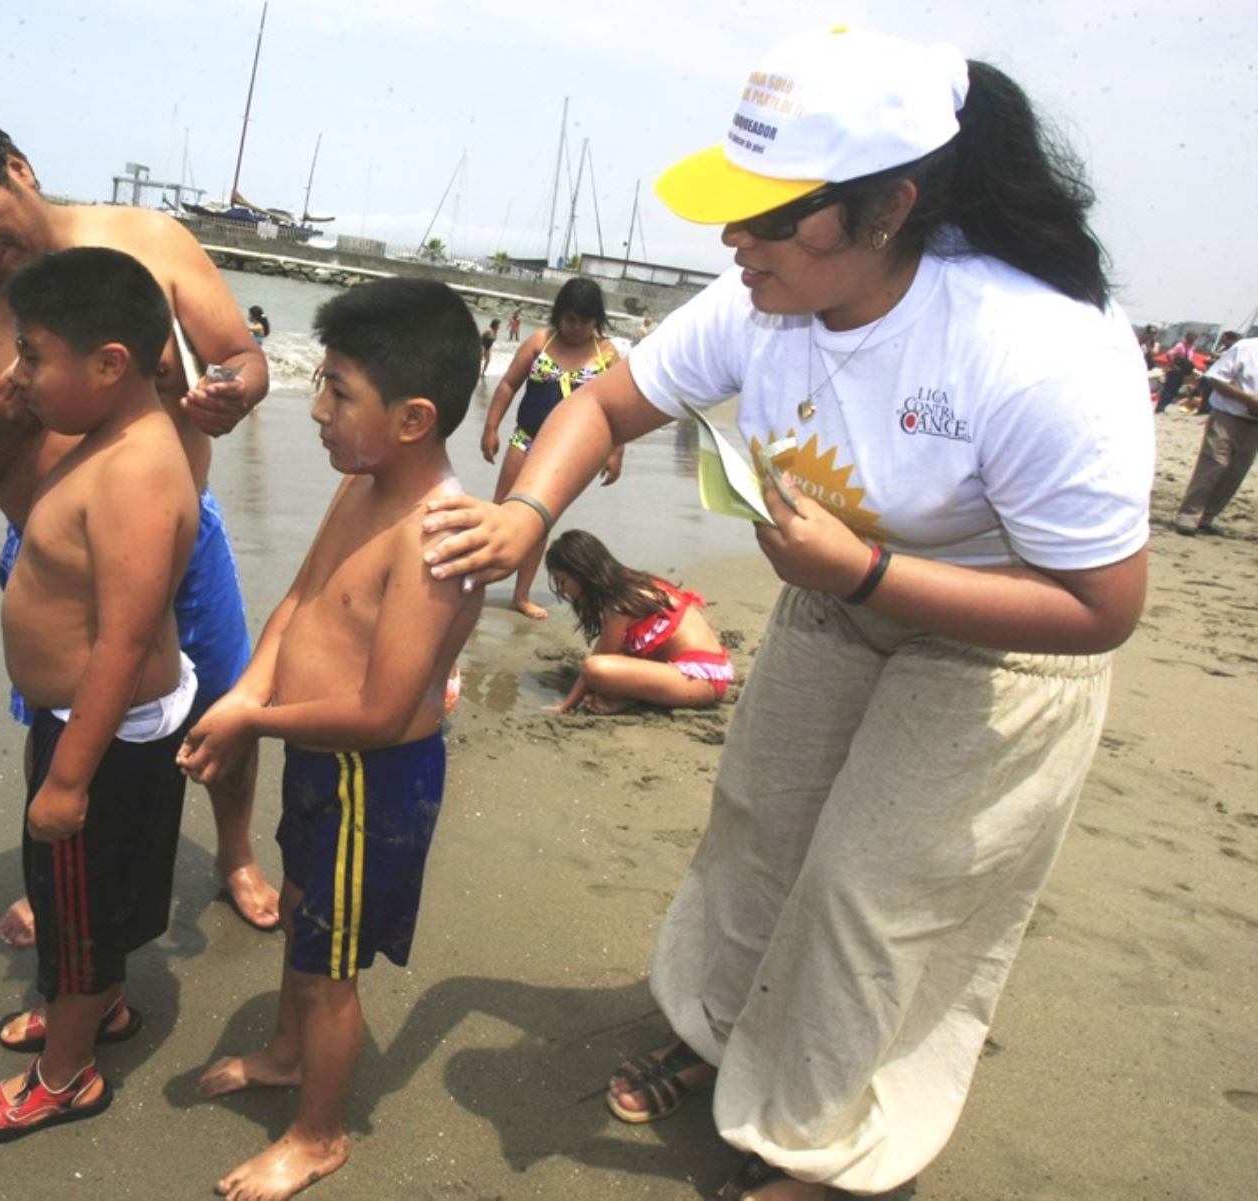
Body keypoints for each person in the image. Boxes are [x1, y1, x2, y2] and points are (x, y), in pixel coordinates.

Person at [424, 27, 1151, 1200]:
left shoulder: (1038, 345)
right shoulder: (760, 299)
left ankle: (817, 1144)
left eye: (767, 216)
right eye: (734, 210)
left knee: (875, 894)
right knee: (759, 831)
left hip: (1001, 635)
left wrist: (865, 574)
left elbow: (1102, 603)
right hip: (837, 593)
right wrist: (524, 513)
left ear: (885, 210)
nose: (732, 241)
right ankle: (717, 1035)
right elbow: (606, 406)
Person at [0, 96, 282, 935]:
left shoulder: (150, 242)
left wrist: (232, 390)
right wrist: (7, 422)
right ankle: (66, 873)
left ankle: (234, 850)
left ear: (17, 169)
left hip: (181, 544)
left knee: (225, 713)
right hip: (54, 565)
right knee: (63, 736)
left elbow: (241, 353)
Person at [179, 278, 484, 1201]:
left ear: (412, 417)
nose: (314, 408)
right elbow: (299, 604)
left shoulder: (434, 533)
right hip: (319, 761)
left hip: (373, 778)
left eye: (338, 390)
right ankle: (283, 1051)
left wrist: (251, 720)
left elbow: (387, 711)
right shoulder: (362, 484)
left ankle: (318, 1135)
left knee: (331, 965)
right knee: (305, 914)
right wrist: (248, 689)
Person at [0, 248, 201, 1144]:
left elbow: (125, 641)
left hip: (100, 733)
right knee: (82, 893)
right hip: (81, 724)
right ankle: (102, 1010)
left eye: (33, 353)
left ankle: (65, 1074)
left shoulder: (135, 470)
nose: (20, 373)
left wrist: (68, 779)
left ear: (109, 365)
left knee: (78, 906)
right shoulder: (108, 438)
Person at [478, 278, 624, 619]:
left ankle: (521, 595)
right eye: (570, 319)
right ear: (559, 315)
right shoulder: (541, 342)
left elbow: (618, 407)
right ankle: (475, 583)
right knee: (501, 511)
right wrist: (490, 429)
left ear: (596, 320)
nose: (576, 328)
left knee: (539, 523)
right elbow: (507, 386)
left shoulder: (606, 355)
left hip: (570, 453)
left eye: (585, 321)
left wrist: (616, 452)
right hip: (525, 439)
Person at [545, 529, 732, 714]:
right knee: (611, 663)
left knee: (595, 669)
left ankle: (631, 698)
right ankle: (630, 698)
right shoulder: (632, 581)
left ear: (580, 573)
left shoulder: (618, 605)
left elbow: (597, 662)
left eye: (562, 582)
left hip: (700, 679)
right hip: (704, 671)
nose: (563, 591)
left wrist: (565, 706)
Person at [1173, 328, 1258, 535]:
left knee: (1236, 471)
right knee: (1215, 464)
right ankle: (1189, 515)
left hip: (1255, 425)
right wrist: (1248, 399)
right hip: (1227, 416)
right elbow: (1216, 379)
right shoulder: (1246, 348)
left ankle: (1207, 516)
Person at [1155, 329, 1199, 411]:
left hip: (1182, 372)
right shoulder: (1180, 345)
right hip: (1175, 372)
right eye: (1191, 338)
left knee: (1174, 391)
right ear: (1187, 337)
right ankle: (1160, 407)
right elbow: (1169, 354)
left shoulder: (1191, 348)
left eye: (1194, 339)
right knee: (1169, 390)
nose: (1192, 340)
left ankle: (1163, 406)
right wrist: (1174, 367)